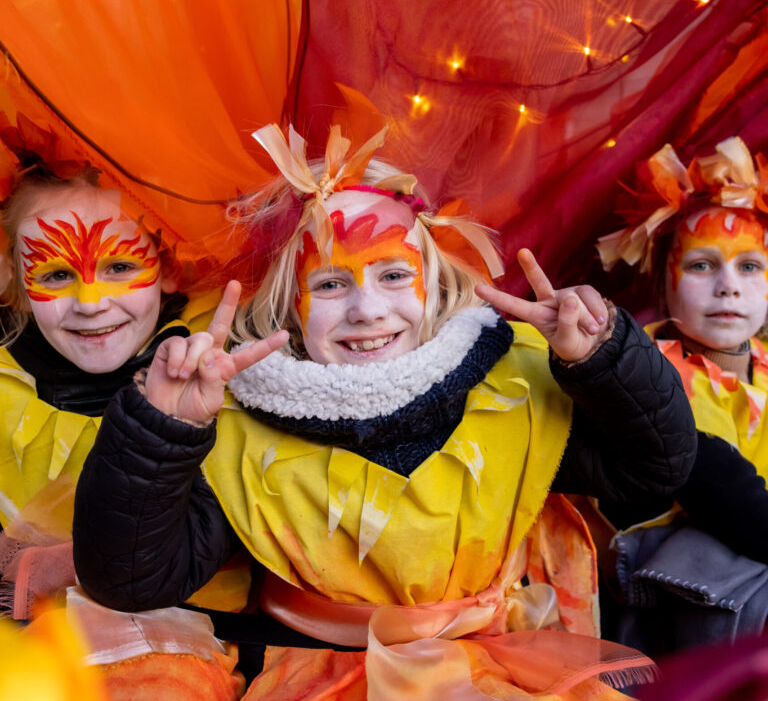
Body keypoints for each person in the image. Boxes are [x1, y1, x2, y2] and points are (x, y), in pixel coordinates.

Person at [73, 123, 698, 700]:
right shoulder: (235, 423)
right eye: (331, 284)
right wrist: (163, 430)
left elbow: (651, 469)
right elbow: (131, 580)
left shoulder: (512, 383)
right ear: (290, 306)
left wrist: (605, 358)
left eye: (394, 275)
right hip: (317, 674)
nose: (367, 311)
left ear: (435, 279)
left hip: (496, 669)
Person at [0, 138, 246, 699]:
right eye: (58, 275)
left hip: (177, 649)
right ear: (14, 278)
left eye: (118, 265)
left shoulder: (224, 373)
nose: (90, 302)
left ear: (167, 266)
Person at [596, 137, 768, 656]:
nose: (728, 287)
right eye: (701, 265)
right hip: (663, 610)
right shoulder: (639, 371)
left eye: (750, 266)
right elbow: (718, 487)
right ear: (661, 278)